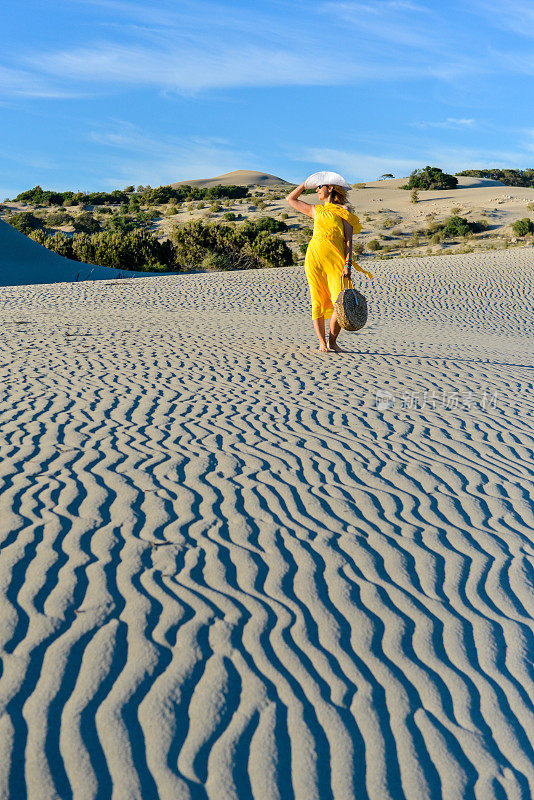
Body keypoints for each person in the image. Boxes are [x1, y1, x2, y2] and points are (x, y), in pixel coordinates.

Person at [286, 182, 373, 352]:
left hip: (337, 261)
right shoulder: (315, 210)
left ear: (330, 188)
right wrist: (305, 184)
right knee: (317, 300)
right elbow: (290, 198)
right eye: (316, 187)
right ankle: (321, 342)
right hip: (314, 259)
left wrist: (348, 263)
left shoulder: (343, 210)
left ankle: (332, 341)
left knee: (339, 302)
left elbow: (348, 240)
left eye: (319, 186)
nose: (317, 190)